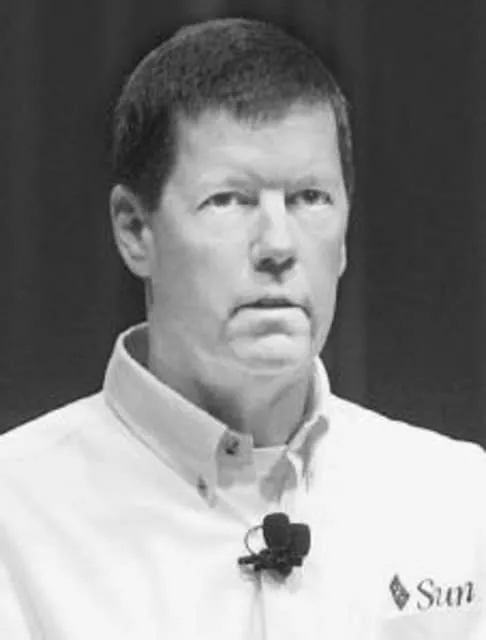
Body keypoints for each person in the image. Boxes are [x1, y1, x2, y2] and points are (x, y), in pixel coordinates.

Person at [0, 17, 484, 640]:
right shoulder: (17, 518)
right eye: (230, 200)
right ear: (135, 230)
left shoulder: (459, 499)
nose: (278, 245)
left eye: (309, 197)